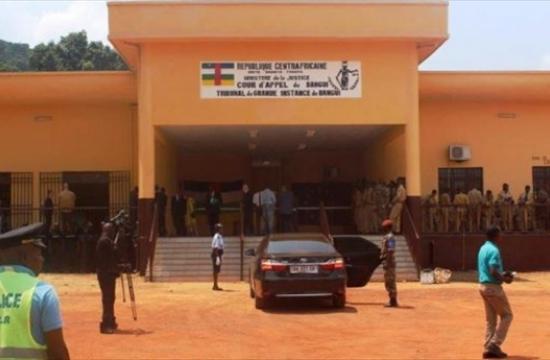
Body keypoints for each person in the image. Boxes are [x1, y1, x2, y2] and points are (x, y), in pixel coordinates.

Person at [0, 223, 70, 359]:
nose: (42, 259)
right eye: (38, 254)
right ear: (24, 257)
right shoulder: (43, 292)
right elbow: (57, 352)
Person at [478, 226, 514, 359]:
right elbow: (493, 270)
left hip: (483, 286)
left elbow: (488, 269)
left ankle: (489, 348)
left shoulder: (483, 248)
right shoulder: (494, 250)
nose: (501, 236)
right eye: (500, 234)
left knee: (491, 319)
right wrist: (504, 278)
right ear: (495, 236)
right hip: (493, 287)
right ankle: (495, 343)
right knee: (507, 315)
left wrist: (502, 274)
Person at [96, 222, 120, 334]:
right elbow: (108, 258)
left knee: (110, 298)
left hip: (108, 273)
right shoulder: (104, 241)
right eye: (111, 231)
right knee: (107, 299)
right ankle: (105, 324)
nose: (113, 232)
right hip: (105, 274)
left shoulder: (106, 240)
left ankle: (111, 320)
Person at [380, 219, 398, 307]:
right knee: (388, 281)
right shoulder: (386, 236)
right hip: (386, 261)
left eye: (384, 227)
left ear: (387, 228)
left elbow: (390, 250)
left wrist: (388, 262)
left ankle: (393, 300)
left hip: (389, 262)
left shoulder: (390, 237)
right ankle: (392, 299)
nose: (382, 229)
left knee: (390, 281)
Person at [211, 223, 224, 291]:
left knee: (217, 270)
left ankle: (215, 285)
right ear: (218, 229)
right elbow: (215, 248)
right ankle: (215, 285)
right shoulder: (217, 236)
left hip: (218, 254)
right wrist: (217, 257)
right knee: (215, 270)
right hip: (216, 254)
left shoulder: (220, 236)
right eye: (221, 228)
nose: (222, 229)